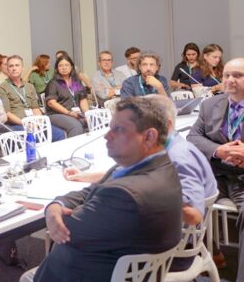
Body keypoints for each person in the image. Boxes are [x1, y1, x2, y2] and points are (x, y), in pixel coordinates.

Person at [20, 97, 183, 282]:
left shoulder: (125, 194)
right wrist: (57, 205)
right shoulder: (156, 167)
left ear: (149, 136)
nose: (107, 136)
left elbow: (67, 231)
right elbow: (89, 192)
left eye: (118, 129)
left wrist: (55, 212)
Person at [65, 94, 216, 229]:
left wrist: (135, 198)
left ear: (166, 125)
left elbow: (193, 214)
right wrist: (84, 176)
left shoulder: (178, 157)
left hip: (172, 237)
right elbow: (134, 175)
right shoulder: (165, 148)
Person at [188, 57, 244, 282]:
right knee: (184, 198)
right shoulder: (210, 104)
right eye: (227, 75)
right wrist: (218, 150)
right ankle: (208, 252)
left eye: (238, 76)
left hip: (242, 176)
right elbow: (193, 137)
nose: (231, 80)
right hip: (216, 172)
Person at [0, 56, 66, 142]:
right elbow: (8, 114)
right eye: (11, 66)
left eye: (17, 65)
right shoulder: (1, 88)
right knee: (37, 138)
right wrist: (26, 124)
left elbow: (35, 108)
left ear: (22, 68)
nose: (14, 68)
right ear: (7, 69)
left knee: (59, 134)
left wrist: (39, 122)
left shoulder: (29, 86)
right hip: (17, 124)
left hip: (34, 121)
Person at [44, 54, 89, 137]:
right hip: (57, 114)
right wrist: (68, 112)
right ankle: (73, 149)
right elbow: (51, 103)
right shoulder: (53, 83)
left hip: (75, 112)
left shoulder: (76, 82)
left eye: (66, 65)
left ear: (71, 67)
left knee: (94, 121)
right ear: (57, 68)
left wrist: (87, 114)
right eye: (60, 65)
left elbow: (83, 99)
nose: (64, 68)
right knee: (76, 126)